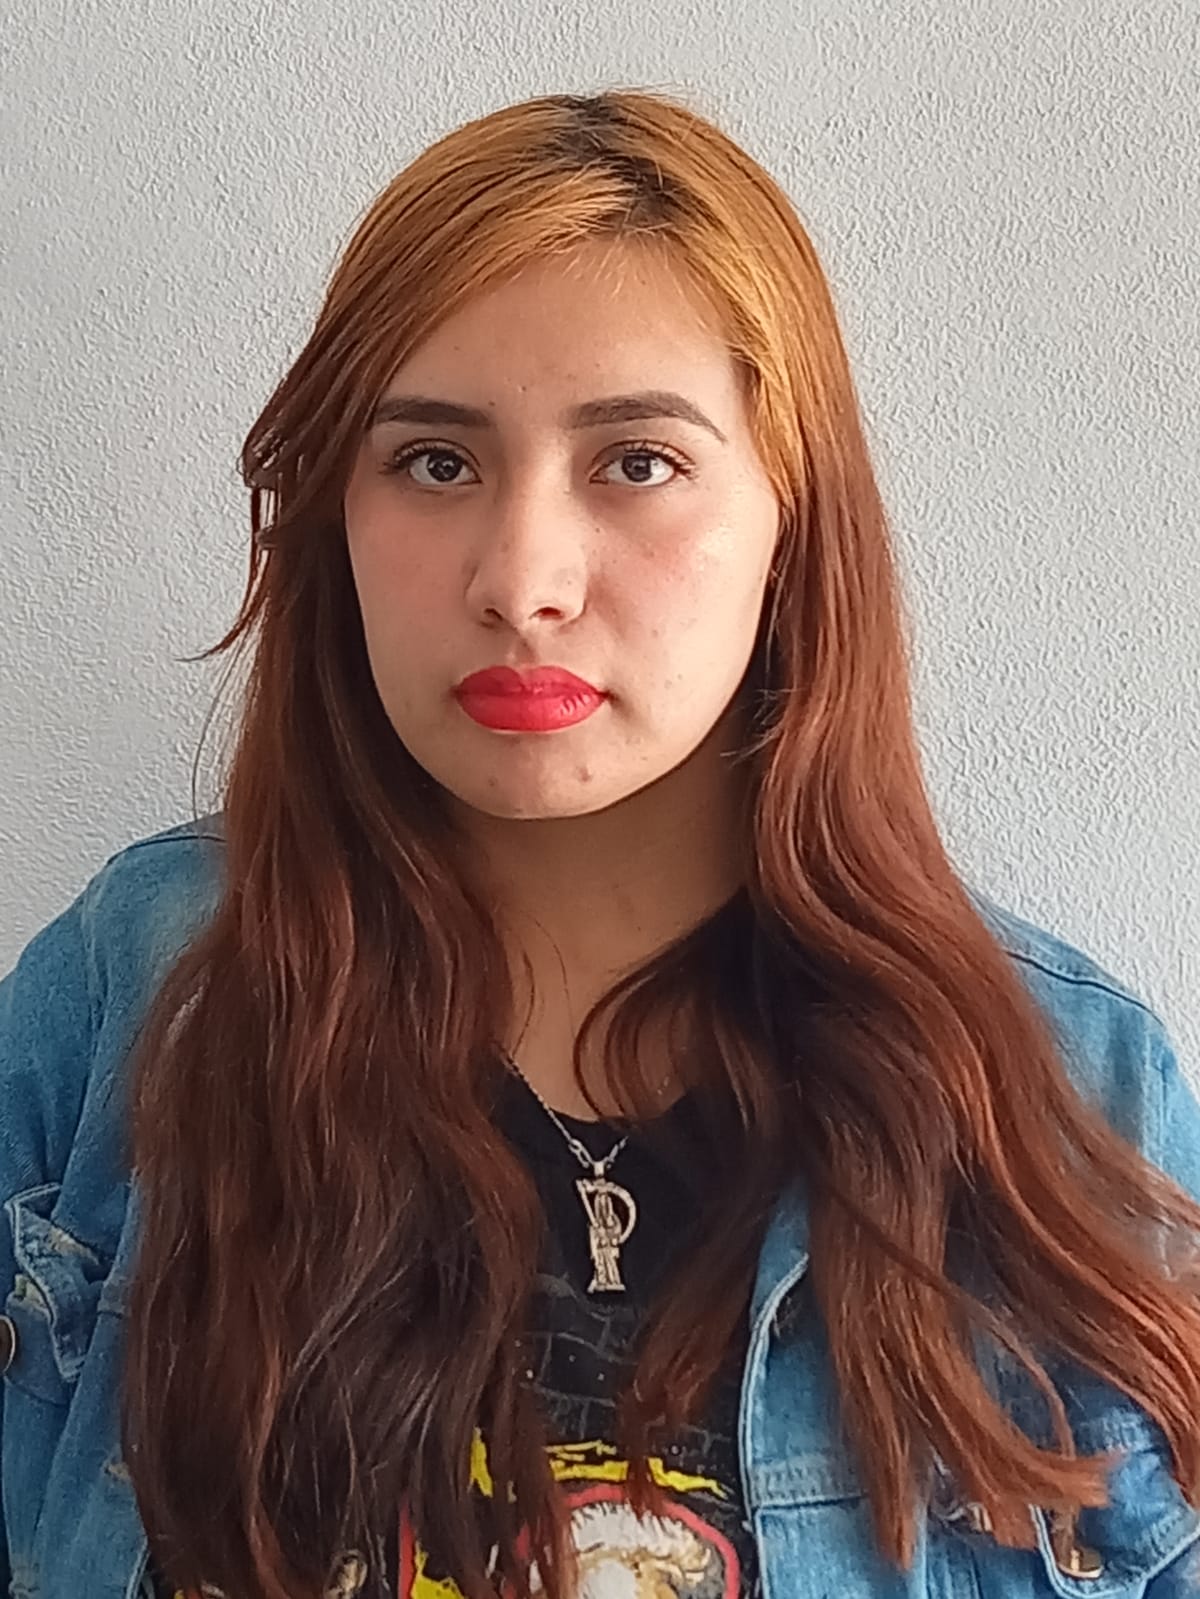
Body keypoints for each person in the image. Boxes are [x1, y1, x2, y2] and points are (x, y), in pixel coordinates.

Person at [2, 86, 1199, 1599]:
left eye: (636, 461)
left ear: (791, 516)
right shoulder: (128, 994)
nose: (522, 581)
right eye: (436, 462)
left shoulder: (1071, 1091)